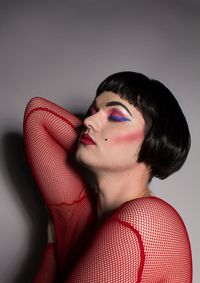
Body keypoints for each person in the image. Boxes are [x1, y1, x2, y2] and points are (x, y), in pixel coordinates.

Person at [24, 71, 192, 282]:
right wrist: (53, 251)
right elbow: (38, 113)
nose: (89, 120)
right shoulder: (80, 216)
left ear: (153, 142)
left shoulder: (147, 219)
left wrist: (54, 250)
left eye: (116, 117)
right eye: (93, 111)